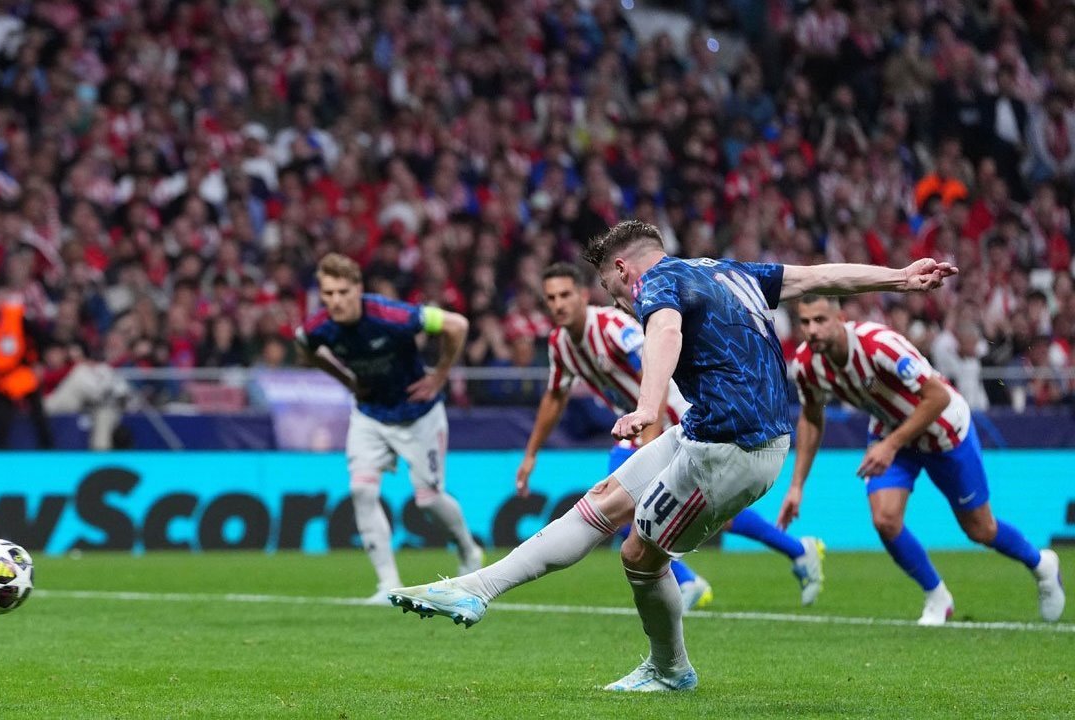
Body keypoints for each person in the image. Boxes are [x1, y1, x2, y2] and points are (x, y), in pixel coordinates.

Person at [388, 220, 957, 693]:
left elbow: (664, 333)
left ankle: (670, 670)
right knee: (603, 501)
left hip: (734, 447)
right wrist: (900, 278)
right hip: (711, 429)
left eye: (611, 288)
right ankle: (475, 589)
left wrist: (645, 405)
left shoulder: (655, 284)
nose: (618, 301)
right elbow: (819, 276)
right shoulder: (727, 270)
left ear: (623, 269)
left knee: (639, 554)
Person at [517, 262, 826, 609]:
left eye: (565, 295)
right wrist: (531, 454)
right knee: (706, 510)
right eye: (551, 298)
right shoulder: (560, 343)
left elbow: (655, 368)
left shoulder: (611, 326)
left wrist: (649, 438)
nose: (558, 304)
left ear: (583, 295)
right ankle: (796, 550)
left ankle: (687, 580)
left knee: (619, 502)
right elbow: (555, 397)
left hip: (672, 414)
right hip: (638, 422)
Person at [778, 295, 1065, 625]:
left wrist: (890, 445)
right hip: (891, 431)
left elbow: (938, 396)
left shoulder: (879, 345)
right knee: (885, 520)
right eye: (805, 322)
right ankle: (937, 596)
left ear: (840, 318)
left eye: (820, 320)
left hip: (943, 431)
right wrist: (796, 486)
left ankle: (1041, 564)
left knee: (980, 529)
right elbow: (811, 417)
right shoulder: (806, 365)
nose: (812, 330)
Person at [295, 253, 483, 604]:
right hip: (371, 414)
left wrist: (440, 376)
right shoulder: (318, 327)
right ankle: (388, 586)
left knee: (428, 500)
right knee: (361, 490)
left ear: (358, 289)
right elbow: (304, 349)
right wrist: (347, 381)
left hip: (418, 414)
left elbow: (457, 325)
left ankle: (468, 549)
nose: (335, 301)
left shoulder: (392, 315)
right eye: (328, 293)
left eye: (342, 292)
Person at [0, 284, 54, 449]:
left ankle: (48, 448)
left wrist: (39, 362)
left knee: (38, 411)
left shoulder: (13, 315)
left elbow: (38, 336)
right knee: (3, 416)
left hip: (21, 371)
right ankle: (0, 451)